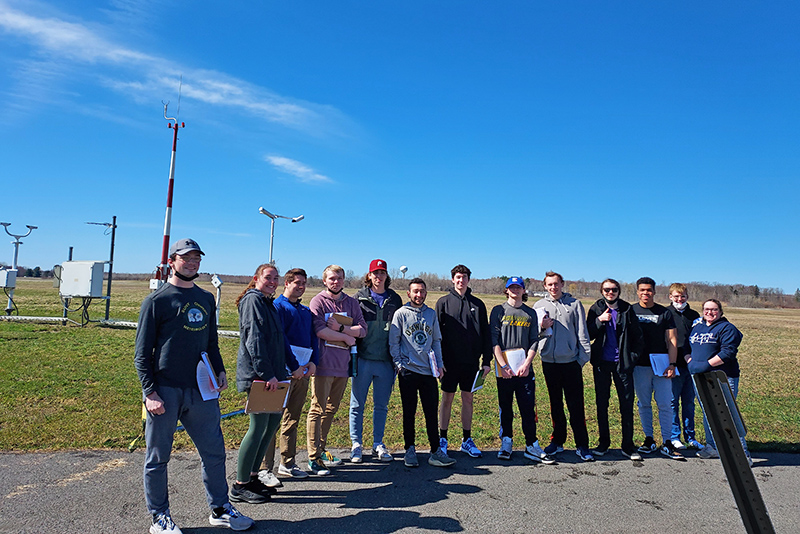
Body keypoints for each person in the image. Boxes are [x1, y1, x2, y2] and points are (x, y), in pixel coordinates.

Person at [134, 238, 253, 533]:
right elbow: (141, 355)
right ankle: (160, 516)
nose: (192, 262)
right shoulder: (157, 301)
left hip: (201, 390)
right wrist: (150, 393)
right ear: (172, 261)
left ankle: (220, 508)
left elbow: (210, 342)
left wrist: (220, 370)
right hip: (165, 389)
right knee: (158, 457)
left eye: (196, 258)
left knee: (214, 452)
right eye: (186, 258)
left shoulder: (205, 299)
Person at [230, 264, 288, 504]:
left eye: (276, 278)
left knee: (270, 426)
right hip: (261, 377)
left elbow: (276, 340)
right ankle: (240, 484)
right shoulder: (253, 300)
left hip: (275, 375)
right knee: (257, 428)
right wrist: (265, 374)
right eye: (268, 277)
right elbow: (254, 339)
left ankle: (253, 476)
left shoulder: (268, 302)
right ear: (256, 279)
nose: (273, 281)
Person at [306, 265, 367, 475]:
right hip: (323, 364)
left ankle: (321, 450)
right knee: (317, 409)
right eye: (332, 278)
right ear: (325, 280)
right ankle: (313, 457)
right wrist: (346, 337)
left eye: (339, 278)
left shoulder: (351, 303)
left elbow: (363, 329)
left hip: (343, 366)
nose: (336, 282)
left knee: (331, 409)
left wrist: (342, 329)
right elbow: (320, 331)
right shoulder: (318, 302)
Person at [259, 268, 318, 481]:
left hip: (301, 373)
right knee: (272, 421)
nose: (301, 286)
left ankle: (288, 462)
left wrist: (313, 362)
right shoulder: (277, 307)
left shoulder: (304, 311)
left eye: (304, 283)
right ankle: (265, 468)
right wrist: (292, 365)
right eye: (297, 283)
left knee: (292, 419)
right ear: (287, 283)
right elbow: (280, 340)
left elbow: (313, 339)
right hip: (283, 372)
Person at [390, 278, 455, 468]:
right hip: (408, 371)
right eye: (415, 291)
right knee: (409, 412)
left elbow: (436, 341)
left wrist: (440, 365)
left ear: (426, 293)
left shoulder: (431, 314)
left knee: (430, 413)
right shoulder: (401, 314)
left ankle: (435, 451)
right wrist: (399, 364)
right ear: (408, 294)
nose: (419, 294)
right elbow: (393, 342)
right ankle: (410, 449)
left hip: (428, 371)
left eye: (422, 291)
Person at [490, 277, 555, 464]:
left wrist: (527, 363)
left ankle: (531, 445)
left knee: (527, 408)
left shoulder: (530, 313)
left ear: (524, 290)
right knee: (506, 407)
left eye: (519, 287)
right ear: (506, 290)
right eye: (512, 287)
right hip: (504, 369)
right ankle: (506, 442)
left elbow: (534, 340)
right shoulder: (498, 311)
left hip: (524, 370)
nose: (515, 290)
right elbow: (494, 340)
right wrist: (503, 365)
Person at [532, 271, 594, 462]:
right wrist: (542, 327)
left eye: (556, 284)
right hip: (549, 362)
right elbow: (534, 334)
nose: (553, 288)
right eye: (549, 285)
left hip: (570, 362)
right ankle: (557, 441)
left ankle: (582, 444)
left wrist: (582, 359)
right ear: (545, 286)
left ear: (562, 284)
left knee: (576, 405)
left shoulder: (574, 304)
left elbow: (582, 333)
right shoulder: (539, 306)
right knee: (555, 405)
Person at [436, 264, 493, 458]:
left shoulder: (478, 304)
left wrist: (486, 361)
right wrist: (438, 361)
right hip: (448, 363)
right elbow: (437, 336)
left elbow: (486, 335)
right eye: (458, 277)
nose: (461, 280)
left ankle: (466, 440)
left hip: (470, 362)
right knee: (447, 399)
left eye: (464, 277)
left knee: (468, 399)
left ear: (469, 280)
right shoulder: (443, 303)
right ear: (452, 279)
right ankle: (442, 438)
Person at [350, 259, 403, 463]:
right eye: (375, 273)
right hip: (363, 359)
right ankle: (356, 444)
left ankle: (377, 443)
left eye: (382, 273)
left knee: (381, 406)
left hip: (385, 362)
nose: (378, 277)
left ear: (386, 276)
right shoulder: (358, 299)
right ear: (369, 276)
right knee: (357, 405)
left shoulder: (394, 299)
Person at [587, 278, 645, 461]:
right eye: (606, 290)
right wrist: (599, 321)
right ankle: (603, 443)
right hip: (602, 364)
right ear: (602, 291)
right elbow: (588, 334)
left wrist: (632, 358)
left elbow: (638, 337)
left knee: (626, 405)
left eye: (613, 290)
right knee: (601, 404)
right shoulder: (595, 309)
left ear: (618, 291)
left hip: (623, 364)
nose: (610, 293)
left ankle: (628, 446)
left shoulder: (628, 309)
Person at [688, 299, 750, 464]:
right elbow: (687, 347)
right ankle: (713, 447)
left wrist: (706, 365)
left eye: (714, 309)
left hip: (721, 377)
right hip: (700, 376)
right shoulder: (698, 327)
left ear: (721, 311)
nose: (710, 312)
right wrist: (690, 362)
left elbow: (728, 352)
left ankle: (742, 453)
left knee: (727, 414)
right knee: (709, 413)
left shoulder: (727, 328)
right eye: (707, 309)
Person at [631, 277, 684, 461]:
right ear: (637, 292)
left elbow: (672, 340)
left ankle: (667, 442)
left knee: (665, 404)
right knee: (643, 403)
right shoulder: (631, 310)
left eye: (649, 290)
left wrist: (672, 364)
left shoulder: (664, 313)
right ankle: (649, 439)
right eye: (642, 290)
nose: (645, 293)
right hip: (639, 366)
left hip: (662, 365)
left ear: (654, 292)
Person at [666, 283, 701, 451]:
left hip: (690, 365)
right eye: (676, 296)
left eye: (683, 296)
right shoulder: (666, 313)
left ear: (687, 297)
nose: (680, 299)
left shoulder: (694, 315)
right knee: (673, 402)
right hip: (673, 364)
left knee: (689, 402)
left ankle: (691, 437)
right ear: (670, 297)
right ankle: (674, 436)